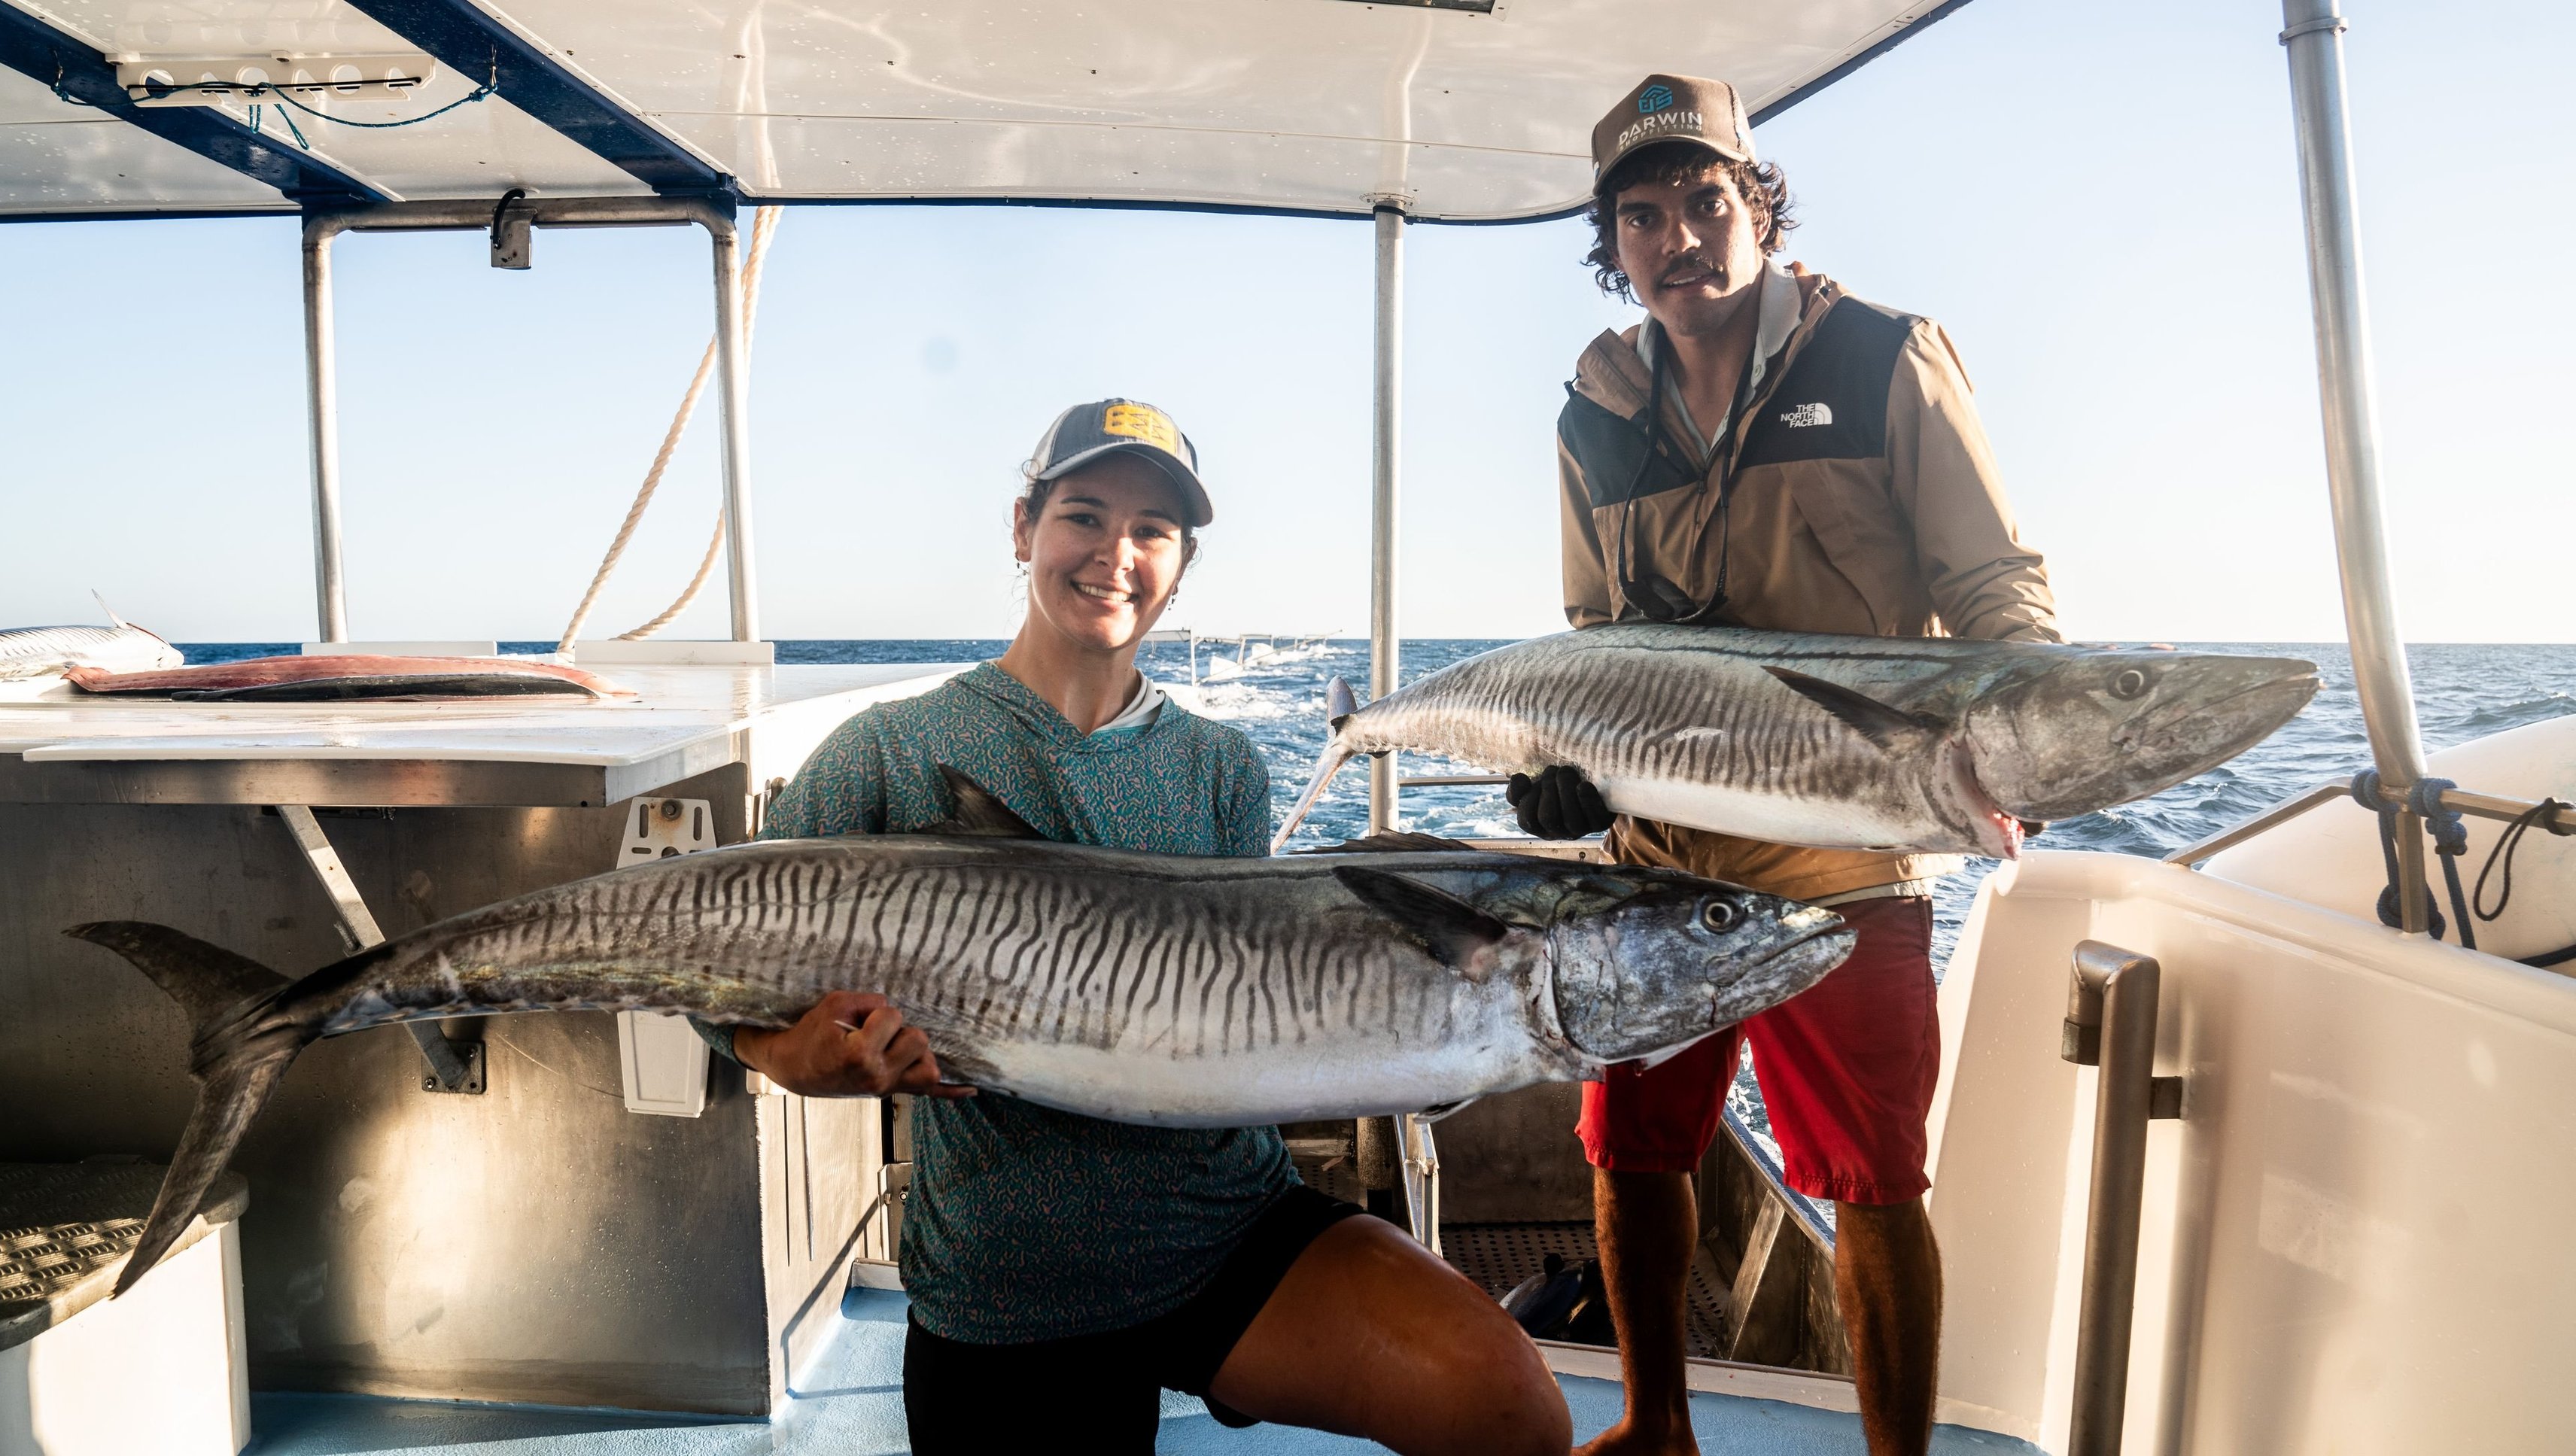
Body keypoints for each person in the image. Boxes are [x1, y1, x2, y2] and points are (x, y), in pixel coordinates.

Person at [697, 400, 1571, 1455]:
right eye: (1084, 515)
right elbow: (712, 962)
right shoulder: (889, 751)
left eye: (1153, 529)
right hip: (1014, 1272)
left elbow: (1257, 996)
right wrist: (797, 1060)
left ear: (1181, 564)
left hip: (1226, 1224)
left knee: (1507, 1404)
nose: (1116, 552)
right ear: (1022, 529)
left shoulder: (1221, 769)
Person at [1512, 78, 2060, 1456]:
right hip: (1659, 856)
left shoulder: (1883, 356)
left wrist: (2029, 729)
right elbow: (1597, 635)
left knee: (1873, 1174)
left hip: (1843, 858)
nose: (1678, 236)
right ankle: (1655, 1424)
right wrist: (1569, 768)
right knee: (1627, 1149)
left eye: (1707, 201)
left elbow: (1992, 579)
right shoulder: (1593, 411)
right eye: (1643, 217)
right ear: (1614, 244)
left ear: (1759, 206)